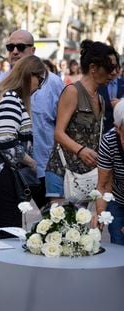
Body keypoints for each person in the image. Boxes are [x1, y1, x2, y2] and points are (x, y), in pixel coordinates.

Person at [0, 29, 64, 209]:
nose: (15, 51)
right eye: (10, 47)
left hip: (44, 166)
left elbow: (63, 123)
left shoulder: (53, 83)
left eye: (21, 47)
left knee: (52, 224)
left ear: (33, 50)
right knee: (8, 227)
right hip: (9, 170)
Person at [0, 55, 47, 234]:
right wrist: (32, 163)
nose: (41, 84)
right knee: (9, 229)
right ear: (29, 75)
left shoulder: (3, 94)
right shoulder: (10, 98)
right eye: (41, 78)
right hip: (1, 172)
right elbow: (7, 142)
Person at [45, 40, 118, 204]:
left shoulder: (100, 98)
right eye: (109, 67)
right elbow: (58, 133)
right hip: (62, 173)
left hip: (86, 176)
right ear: (93, 68)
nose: (113, 73)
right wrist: (81, 150)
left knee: (81, 228)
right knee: (60, 227)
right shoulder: (73, 92)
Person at [95, 100, 124, 245]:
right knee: (118, 244)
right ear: (118, 128)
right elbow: (104, 185)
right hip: (118, 197)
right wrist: (100, 216)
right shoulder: (109, 141)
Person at [98, 55, 124, 133]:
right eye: (111, 68)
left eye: (116, 68)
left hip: (121, 128)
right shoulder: (100, 84)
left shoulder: (123, 83)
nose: (113, 72)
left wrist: (120, 103)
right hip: (104, 128)